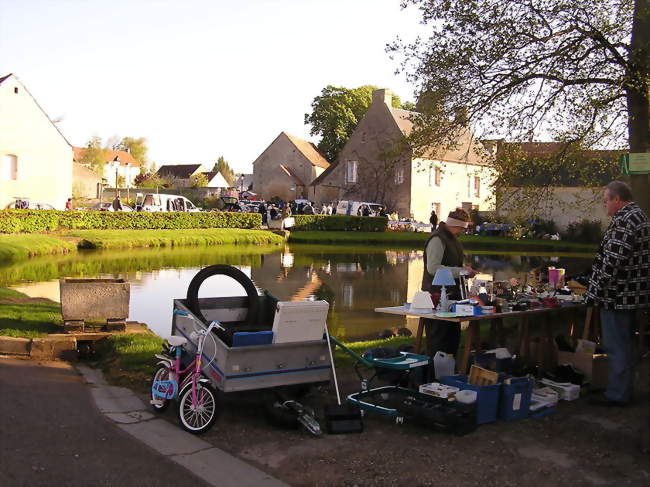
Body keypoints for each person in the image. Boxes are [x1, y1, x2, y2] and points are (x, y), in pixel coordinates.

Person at [586, 181, 649, 407]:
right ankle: (622, 389)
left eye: (606, 201)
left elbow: (613, 261)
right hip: (628, 293)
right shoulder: (637, 216)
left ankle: (617, 394)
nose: (605, 206)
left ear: (617, 199)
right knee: (624, 344)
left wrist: (594, 290)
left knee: (617, 345)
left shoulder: (626, 220)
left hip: (618, 295)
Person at [420, 208, 477, 361]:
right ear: (457, 226)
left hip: (452, 297)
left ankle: (448, 375)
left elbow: (451, 263)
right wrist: (461, 271)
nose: (463, 232)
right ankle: (433, 377)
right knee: (439, 340)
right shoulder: (437, 239)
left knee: (452, 340)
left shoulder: (452, 239)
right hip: (436, 296)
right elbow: (433, 268)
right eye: (462, 229)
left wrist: (464, 270)